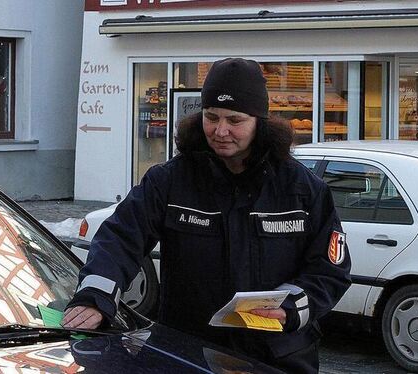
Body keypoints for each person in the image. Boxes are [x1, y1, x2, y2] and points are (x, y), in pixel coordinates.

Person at [62, 57, 351, 373]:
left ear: (260, 121)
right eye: (211, 117)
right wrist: (95, 297)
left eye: (234, 120)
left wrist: (292, 306)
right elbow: (119, 238)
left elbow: (329, 271)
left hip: (278, 358)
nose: (221, 130)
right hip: (188, 354)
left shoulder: (304, 190)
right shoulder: (170, 181)